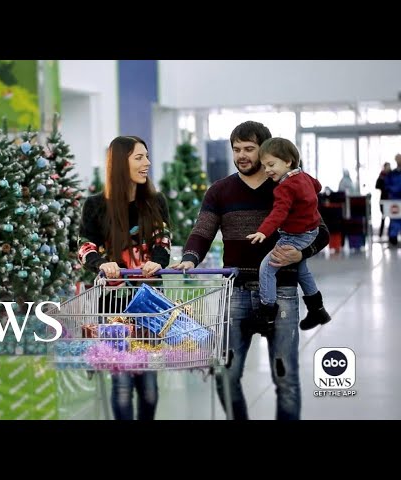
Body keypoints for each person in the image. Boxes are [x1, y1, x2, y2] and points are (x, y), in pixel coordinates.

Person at [171, 121, 329, 420]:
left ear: (266, 150)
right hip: (236, 294)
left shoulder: (289, 186)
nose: (241, 155)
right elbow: (202, 231)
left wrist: (301, 253)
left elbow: (320, 231)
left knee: (286, 377)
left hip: (282, 292)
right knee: (225, 374)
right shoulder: (220, 191)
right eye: (236, 149)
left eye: (249, 149)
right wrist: (190, 258)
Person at [77, 135, 172, 420]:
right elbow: (84, 247)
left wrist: (157, 262)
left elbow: (163, 240)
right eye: (139, 157)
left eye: (147, 156)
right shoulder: (95, 205)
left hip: (149, 304)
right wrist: (101, 264)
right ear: (120, 163)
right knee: (121, 386)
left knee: (149, 389)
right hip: (112, 307)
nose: (147, 163)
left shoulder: (155, 202)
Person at [245, 137, 331, 331]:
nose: (267, 170)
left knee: (267, 269)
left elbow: (279, 212)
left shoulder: (285, 187)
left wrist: (263, 231)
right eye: (264, 166)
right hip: (311, 232)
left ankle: (266, 314)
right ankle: (317, 310)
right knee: (302, 270)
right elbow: (318, 186)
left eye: (271, 165)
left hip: (294, 237)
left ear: (288, 161)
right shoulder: (303, 176)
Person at [385, 154, 401, 246]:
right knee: (394, 220)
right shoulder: (392, 174)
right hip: (394, 201)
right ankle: (393, 238)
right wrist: (394, 190)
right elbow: (387, 186)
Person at [375, 162, 391, 238]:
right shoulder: (382, 175)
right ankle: (380, 234)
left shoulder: (392, 175)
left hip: (391, 199)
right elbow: (377, 186)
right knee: (383, 216)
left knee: (392, 217)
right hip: (384, 199)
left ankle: (390, 234)